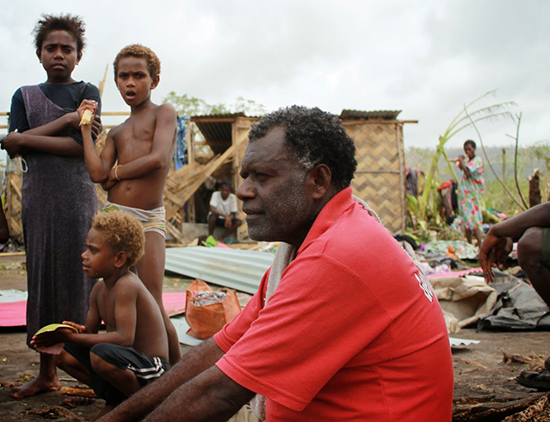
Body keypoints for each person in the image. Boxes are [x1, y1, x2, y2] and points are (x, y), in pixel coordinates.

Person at [97, 105, 453, 422]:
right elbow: (223, 346)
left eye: (262, 177)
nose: (243, 191)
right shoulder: (312, 246)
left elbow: (218, 392)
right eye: (245, 176)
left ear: (318, 181)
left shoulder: (336, 257)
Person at [1, 14, 101, 398]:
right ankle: (47, 373)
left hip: (78, 199)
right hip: (39, 199)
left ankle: (92, 372)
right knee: (42, 279)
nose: (59, 54)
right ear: (39, 53)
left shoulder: (87, 90)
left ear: (78, 55)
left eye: (67, 49)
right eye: (51, 48)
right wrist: (69, 121)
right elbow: (11, 144)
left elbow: (80, 148)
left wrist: (27, 138)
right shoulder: (23, 95)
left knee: (82, 278)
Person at [77, 44, 180, 365]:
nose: (130, 83)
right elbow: (97, 173)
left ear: (155, 79)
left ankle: (177, 377)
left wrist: (117, 172)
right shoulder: (117, 132)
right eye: (123, 76)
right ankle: (131, 375)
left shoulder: (164, 112)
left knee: (153, 301)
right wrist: (84, 130)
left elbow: (157, 159)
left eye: (139, 75)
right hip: (115, 218)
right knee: (117, 294)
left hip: (148, 219)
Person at [31, 211, 170, 418]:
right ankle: (117, 400)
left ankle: (143, 405)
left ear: (119, 259)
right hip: (126, 361)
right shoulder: (99, 289)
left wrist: (75, 337)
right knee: (62, 352)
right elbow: (91, 333)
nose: (84, 255)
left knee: (100, 355)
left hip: (153, 370)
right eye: (86, 248)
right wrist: (71, 333)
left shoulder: (127, 285)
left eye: (93, 250)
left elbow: (124, 338)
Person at [456, 139, 485, 246]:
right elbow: (462, 168)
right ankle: (469, 244)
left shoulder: (477, 161)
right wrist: (461, 162)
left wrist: (461, 161)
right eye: (465, 150)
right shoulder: (469, 162)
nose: (467, 152)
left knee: (473, 218)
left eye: (469, 149)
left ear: (474, 149)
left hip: (472, 196)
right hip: (465, 196)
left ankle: (480, 242)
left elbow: (468, 173)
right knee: (466, 220)